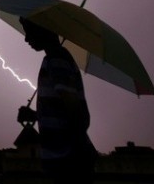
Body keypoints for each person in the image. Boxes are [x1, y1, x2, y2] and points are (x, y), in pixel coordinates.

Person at [17, 17, 97, 184]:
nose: (26, 38)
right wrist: (35, 115)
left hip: (68, 162)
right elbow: (61, 111)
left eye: (29, 32)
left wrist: (77, 152)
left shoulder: (57, 59)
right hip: (63, 161)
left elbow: (73, 109)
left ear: (44, 30)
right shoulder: (52, 59)